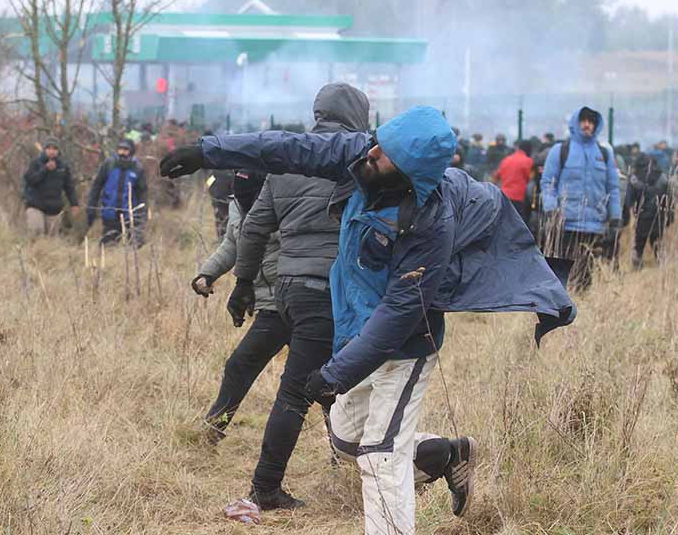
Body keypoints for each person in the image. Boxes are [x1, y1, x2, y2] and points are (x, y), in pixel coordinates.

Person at [160, 105, 575, 534]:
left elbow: (398, 314)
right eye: (376, 142)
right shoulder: (361, 155)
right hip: (355, 333)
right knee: (345, 440)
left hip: (406, 346)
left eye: (383, 153)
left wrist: (335, 374)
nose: (370, 152)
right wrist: (208, 152)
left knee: (380, 453)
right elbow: (287, 148)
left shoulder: (432, 224)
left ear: (410, 170)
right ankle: (444, 455)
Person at [224, 83, 370, 511]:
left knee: (330, 382)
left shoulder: (287, 163)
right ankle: (265, 488)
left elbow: (253, 229)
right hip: (331, 291)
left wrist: (243, 282)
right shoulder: (357, 161)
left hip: (288, 289)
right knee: (299, 391)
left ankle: (342, 462)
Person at [192, 169, 286, 443]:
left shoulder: (281, 199)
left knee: (242, 365)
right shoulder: (237, 201)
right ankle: (213, 430)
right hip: (265, 299)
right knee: (314, 374)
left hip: (289, 298)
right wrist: (207, 274)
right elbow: (233, 243)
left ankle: (212, 430)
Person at [540, 106, 621, 292]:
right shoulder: (560, 150)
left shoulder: (605, 153)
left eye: (591, 121)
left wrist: (615, 217)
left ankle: (582, 306)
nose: (587, 124)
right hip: (566, 223)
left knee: (586, 272)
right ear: (576, 122)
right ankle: (563, 306)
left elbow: (613, 188)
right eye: (583, 120)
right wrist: (552, 209)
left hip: (595, 224)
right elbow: (548, 183)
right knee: (564, 271)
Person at [86, 138, 148, 247]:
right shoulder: (109, 164)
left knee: (134, 247)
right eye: (120, 149)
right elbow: (96, 186)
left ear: (131, 151)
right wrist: (91, 206)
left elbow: (142, 193)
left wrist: (143, 214)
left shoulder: (137, 168)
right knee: (108, 245)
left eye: (125, 150)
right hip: (110, 211)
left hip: (130, 213)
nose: (122, 152)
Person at [22, 138, 80, 237]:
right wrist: (45, 169)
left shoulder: (63, 167)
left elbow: (69, 187)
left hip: (54, 208)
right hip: (35, 205)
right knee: (37, 232)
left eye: (54, 149)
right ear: (45, 150)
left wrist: (74, 204)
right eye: (49, 148)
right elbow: (30, 180)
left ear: (58, 151)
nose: (51, 151)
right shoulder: (36, 163)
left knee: (52, 238)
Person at [622, 154, 668, 269]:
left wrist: (626, 217)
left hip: (641, 216)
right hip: (659, 215)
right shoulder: (662, 177)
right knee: (657, 242)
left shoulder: (634, 178)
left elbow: (628, 200)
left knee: (639, 244)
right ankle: (662, 266)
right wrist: (669, 217)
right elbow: (668, 198)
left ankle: (636, 267)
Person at [494, 140, 533, 220]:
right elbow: (529, 178)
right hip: (518, 197)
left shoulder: (506, 160)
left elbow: (496, 175)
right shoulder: (528, 161)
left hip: (504, 196)